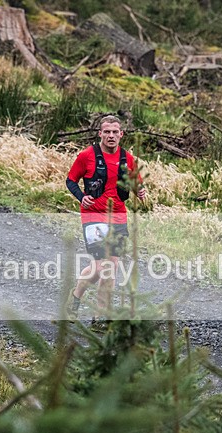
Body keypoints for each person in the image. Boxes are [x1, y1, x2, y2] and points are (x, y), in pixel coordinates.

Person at [66, 115, 146, 318]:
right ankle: (76, 296)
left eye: (115, 132)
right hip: (93, 216)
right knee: (102, 266)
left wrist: (140, 191)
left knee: (111, 268)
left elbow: (135, 183)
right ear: (100, 133)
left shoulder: (127, 158)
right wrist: (81, 197)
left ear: (121, 134)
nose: (111, 136)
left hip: (118, 217)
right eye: (107, 132)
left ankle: (100, 317)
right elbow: (71, 180)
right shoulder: (86, 156)